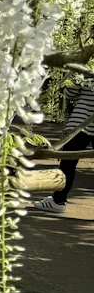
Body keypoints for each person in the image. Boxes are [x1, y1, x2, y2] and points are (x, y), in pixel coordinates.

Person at [34, 83, 94, 213]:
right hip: (81, 121)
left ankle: (58, 201)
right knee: (68, 162)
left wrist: (73, 80)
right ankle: (57, 200)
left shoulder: (84, 68)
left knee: (68, 163)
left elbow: (70, 92)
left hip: (80, 121)